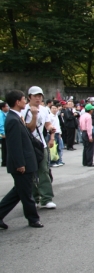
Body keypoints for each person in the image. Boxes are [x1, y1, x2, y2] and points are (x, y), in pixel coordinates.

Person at [0, 90, 43, 229]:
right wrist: (20, 164)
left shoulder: (17, 117)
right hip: (22, 164)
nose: (25, 101)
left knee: (18, 192)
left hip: (26, 161)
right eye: (24, 99)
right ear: (18, 102)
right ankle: (33, 219)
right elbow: (14, 145)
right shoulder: (12, 119)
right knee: (26, 193)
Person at [22, 86, 56, 209]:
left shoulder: (44, 110)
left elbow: (47, 124)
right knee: (30, 173)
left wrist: (51, 130)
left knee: (44, 170)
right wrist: (34, 115)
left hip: (41, 144)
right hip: (28, 145)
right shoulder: (24, 110)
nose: (38, 98)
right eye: (35, 96)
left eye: (40, 96)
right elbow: (29, 128)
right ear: (29, 97)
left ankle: (46, 198)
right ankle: (34, 198)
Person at [0, 101, 8, 167]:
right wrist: (3, 133)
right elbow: (1, 125)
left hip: (4, 133)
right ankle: (4, 162)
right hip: (3, 134)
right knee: (5, 148)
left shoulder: (5, 113)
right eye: (6, 106)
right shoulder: (0, 114)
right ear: (2, 108)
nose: (8, 107)